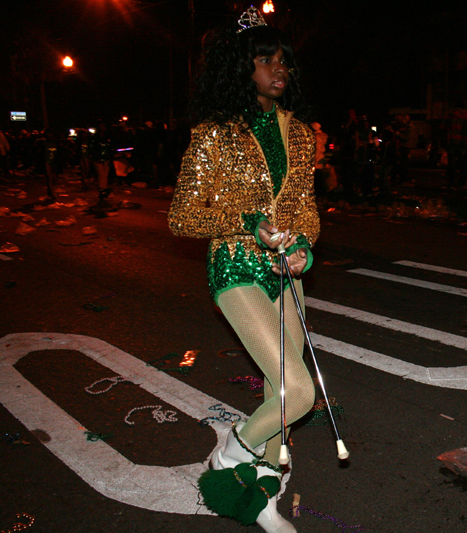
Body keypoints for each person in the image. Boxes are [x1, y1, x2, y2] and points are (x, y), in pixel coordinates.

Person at [168, 8, 318, 532]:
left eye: (285, 62)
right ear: (241, 66)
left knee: (276, 393)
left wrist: (304, 249)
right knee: (297, 392)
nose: (280, 70)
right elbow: (183, 216)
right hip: (234, 268)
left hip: (285, 274)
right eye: (266, 60)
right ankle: (230, 453)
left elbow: (305, 211)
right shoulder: (213, 135)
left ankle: (265, 497)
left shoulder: (300, 135)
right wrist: (246, 224)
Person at [441, 101, 467, 187]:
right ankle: (461, 182)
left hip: (451, 141)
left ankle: (451, 181)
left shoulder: (448, 114)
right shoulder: (465, 114)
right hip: (462, 142)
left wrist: (443, 140)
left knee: (451, 162)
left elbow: (443, 128)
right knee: (463, 162)